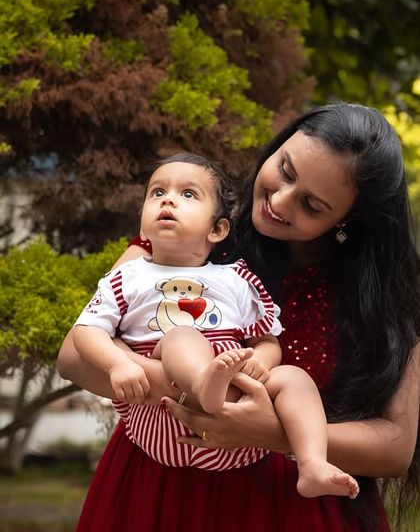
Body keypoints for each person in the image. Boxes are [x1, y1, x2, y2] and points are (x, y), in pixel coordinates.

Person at [57, 103, 420, 532]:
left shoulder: (392, 296)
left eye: (311, 204)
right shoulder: (184, 237)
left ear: (348, 219)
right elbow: (73, 357)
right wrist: (199, 392)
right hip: (160, 486)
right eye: (284, 169)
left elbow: (396, 448)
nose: (279, 201)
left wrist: (268, 432)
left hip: (293, 506)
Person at [73, 153, 359, 497]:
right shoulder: (127, 277)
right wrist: (117, 363)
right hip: (164, 420)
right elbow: (86, 330)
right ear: (142, 220)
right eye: (157, 192)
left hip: (241, 431)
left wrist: (262, 362)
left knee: (293, 378)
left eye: (188, 194)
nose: (169, 199)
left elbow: (266, 339)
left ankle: (312, 463)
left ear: (217, 229)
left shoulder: (235, 278)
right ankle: (206, 386)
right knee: (182, 337)